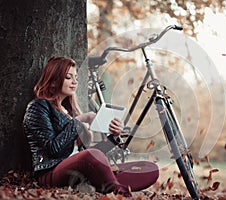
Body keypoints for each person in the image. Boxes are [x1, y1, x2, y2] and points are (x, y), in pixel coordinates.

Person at [23, 56, 159, 197]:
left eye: (76, 77)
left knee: (149, 169)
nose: (75, 82)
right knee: (91, 156)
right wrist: (80, 120)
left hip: (82, 171)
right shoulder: (39, 107)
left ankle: (103, 183)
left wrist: (114, 137)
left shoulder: (68, 112)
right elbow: (53, 149)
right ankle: (117, 190)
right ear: (53, 81)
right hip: (52, 172)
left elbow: (92, 156)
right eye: (68, 77)